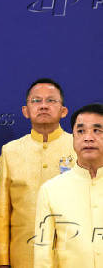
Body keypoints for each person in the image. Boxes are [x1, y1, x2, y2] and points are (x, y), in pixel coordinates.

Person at [0, 78, 76, 268]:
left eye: (51, 101)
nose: (43, 106)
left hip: (73, 256)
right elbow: (1, 214)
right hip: (23, 256)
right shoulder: (10, 151)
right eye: (36, 101)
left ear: (64, 111)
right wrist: (1, 261)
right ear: (25, 111)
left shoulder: (79, 147)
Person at [34, 103, 103, 268]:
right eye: (80, 131)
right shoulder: (51, 190)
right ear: (73, 138)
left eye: (97, 130)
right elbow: (43, 255)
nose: (88, 138)